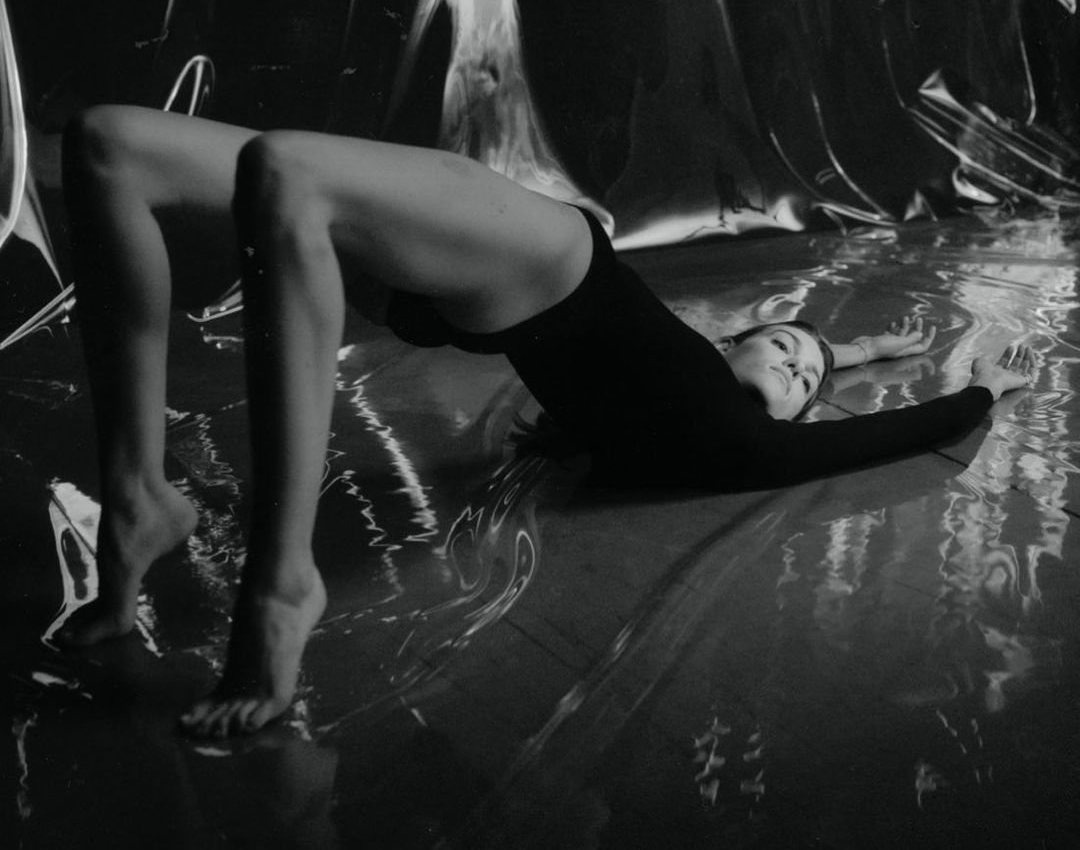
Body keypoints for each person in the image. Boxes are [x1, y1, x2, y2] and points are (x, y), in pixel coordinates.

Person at [57, 105, 1035, 737]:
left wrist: (981, 390)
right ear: (735, 337)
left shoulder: (751, 441)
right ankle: (140, 497)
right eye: (782, 342)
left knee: (283, 170)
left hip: (516, 281)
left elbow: (874, 434)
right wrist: (859, 350)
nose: (792, 360)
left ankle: (282, 587)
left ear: (792, 414)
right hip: (525, 257)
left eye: (802, 378)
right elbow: (802, 346)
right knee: (107, 147)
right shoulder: (715, 358)